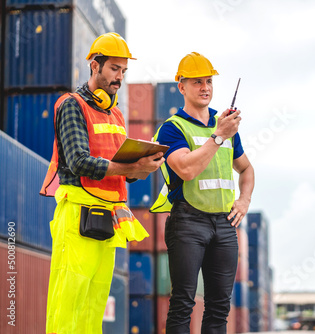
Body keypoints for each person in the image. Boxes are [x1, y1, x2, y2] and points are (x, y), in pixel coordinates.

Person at [40, 32, 164, 334]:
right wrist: (131, 166)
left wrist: (141, 169)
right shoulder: (71, 105)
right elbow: (79, 161)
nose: (119, 77)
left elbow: (121, 170)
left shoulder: (118, 115)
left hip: (107, 220)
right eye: (113, 69)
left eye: (123, 71)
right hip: (77, 216)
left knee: (95, 305)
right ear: (95, 65)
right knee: (68, 302)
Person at [150, 52, 255, 333]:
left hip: (224, 225)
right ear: (181, 86)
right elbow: (185, 170)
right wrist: (218, 136)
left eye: (208, 81)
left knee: (220, 307)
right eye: (197, 82)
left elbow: (247, 170)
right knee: (183, 303)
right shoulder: (172, 129)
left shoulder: (227, 129)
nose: (205, 87)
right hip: (187, 223)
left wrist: (244, 201)